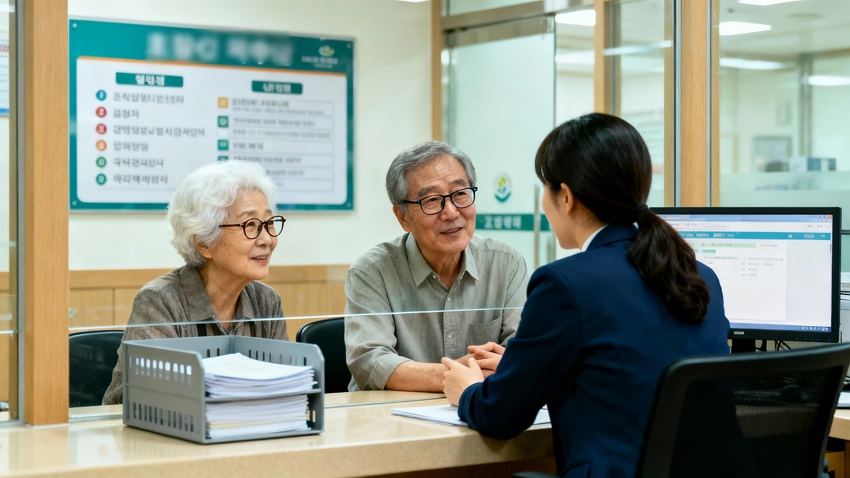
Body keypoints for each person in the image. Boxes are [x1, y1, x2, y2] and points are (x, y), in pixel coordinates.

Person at [441, 113, 730, 477]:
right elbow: (627, 370)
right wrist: (524, 366)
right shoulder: (700, 275)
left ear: (565, 196)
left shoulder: (564, 283)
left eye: (544, 189)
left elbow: (501, 417)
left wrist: (466, 390)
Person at [344, 141, 529, 392]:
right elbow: (370, 362)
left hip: (483, 413)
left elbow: (523, 352)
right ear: (402, 217)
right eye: (431, 200)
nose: (451, 212)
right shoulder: (373, 271)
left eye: (460, 194)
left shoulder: (506, 263)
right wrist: (457, 375)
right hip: (392, 421)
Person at [102, 160, 289, 404]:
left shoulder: (266, 301)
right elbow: (152, 400)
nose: (267, 239)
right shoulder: (161, 301)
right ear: (203, 242)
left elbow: (283, 390)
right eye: (250, 225)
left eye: (269, 222)